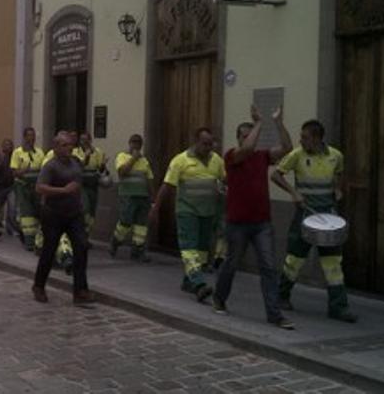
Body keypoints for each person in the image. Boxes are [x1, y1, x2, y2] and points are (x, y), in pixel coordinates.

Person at [213, 105, 294, 329]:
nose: (249, 139)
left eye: (251, 135)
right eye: (244, 135)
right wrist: (259, 122)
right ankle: (219, 297)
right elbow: (247, 150)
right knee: (231, 264)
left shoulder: (262, 156)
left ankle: (274, 314)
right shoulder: (231, 156)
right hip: (237, 223)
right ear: (238, 138)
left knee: (268, 267)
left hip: (261, 223)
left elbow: (287, 147)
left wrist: (277, 122)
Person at [271, 120, 357, 323]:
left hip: (328, 216)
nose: (301, 140)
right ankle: (281, 297)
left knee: (333, 264)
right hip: (305, 215)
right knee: (294, 260)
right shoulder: (297, 155)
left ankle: (339, 307)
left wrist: (337, 188)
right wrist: (293, 193)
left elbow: (339, 174)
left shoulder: (335, 156)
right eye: (301, 137)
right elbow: (275, 174)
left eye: (305, 137)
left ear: (317, 138)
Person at [150, 128, 226, 303]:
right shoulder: (180, 160)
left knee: (202, 250)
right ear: (195, 141)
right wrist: (156, 207)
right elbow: (167, 185)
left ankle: (188, 281)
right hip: (187, 211)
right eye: (204, 143)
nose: (208, 147)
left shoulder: (217, 161)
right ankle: (199, 284)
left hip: (208, 212)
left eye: (210, 144)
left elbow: (224, 182)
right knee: (189, 248)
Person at [31, 132, 93, 306]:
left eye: (70, 145)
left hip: (74, 213)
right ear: (56, 147)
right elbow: (40, 187)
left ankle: (80, 291)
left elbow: (80, 180)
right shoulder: (50, 166)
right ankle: (39, 285)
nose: (69, 148)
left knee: (81, 247)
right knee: (49, 251)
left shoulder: (75, 163)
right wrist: (64, 191)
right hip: (53, 214)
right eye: (65, 145)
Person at [110, 134, 156, 262]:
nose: (136, 145)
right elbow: (122, 173)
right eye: (134, 142)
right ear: (129, 143)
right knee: (125, 221)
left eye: (139, 143)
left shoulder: (144, 160)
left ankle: (138, 251)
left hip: (143, 196)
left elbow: (149, 179)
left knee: (141, 225)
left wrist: (153, 199)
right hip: (127, 195)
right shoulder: (122, 156)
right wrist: (133, 159)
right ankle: (116, 240)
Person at [11, 127, 46, 252]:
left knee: (38, 213)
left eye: (33, 135)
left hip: (36, 187)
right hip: (23, 186)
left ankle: (36, 239)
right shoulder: (18, 152)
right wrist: (23, 171)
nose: (32, 138)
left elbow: (44, 169)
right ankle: (29, 241)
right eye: (29, 135)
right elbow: (14, 172)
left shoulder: (40, 152)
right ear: (25, 137)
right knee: (26, 215)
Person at [74, 132, 107, 236]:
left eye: (87, 139)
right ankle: (80, 232)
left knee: (92, 211)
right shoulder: (75, 152)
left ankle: (85, 235)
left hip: (93, 185)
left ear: (90, 140)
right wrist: (86, 157)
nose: (85, 142)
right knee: (85, 208)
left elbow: (101, 170)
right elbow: (79, 166)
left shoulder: (98, 152)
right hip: (81, 185)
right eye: (82, 140)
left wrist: (102, 165)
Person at [0, 139, 18, 238]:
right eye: (6, 145)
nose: (9, 147)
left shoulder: (14, 156)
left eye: (10, 145)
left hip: (10, 186)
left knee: (12, 208)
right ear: (3, 147)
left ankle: (10, 228)